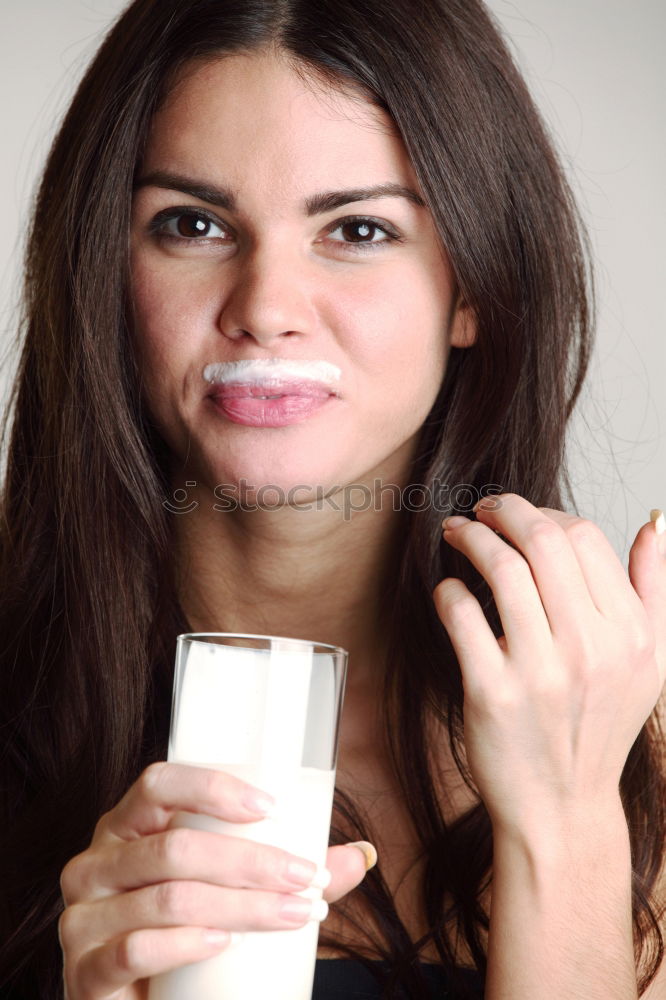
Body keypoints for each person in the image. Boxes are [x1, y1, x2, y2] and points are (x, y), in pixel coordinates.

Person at [0, 0, 664, 997]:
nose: (265, 307)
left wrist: (566, 825)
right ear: (105, 271)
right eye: (192, 224)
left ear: (473, 288)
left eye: (356, 229)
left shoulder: (626, 735)